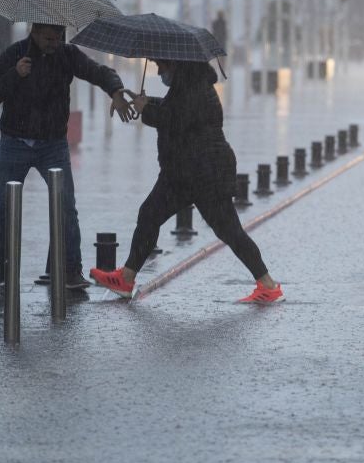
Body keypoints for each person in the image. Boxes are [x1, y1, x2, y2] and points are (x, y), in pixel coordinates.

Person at [89, 59, 284, 304]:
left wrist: (146, 109)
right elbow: (175, 110)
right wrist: (148, 103)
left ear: (175, 65)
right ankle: (126, 278)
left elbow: (175, 120)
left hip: (203, 171)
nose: (159, 71)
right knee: (151, 214)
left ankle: (268, 285)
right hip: (187, 170)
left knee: (228, 230)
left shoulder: (194, 87)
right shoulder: (189, 83)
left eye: (161, 66)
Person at [0, 23, 133, 288]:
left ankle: (70, 269)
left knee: (65, 205)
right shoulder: (14, 54)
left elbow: (98, 72)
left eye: (59, 37)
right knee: (3, 205)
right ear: (35, 32)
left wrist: (116, 91)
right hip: (15, 142)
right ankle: (4, 266)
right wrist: (15, 74)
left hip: (52, 144)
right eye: (49, 38)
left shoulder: (67, 54)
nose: (55, 43)